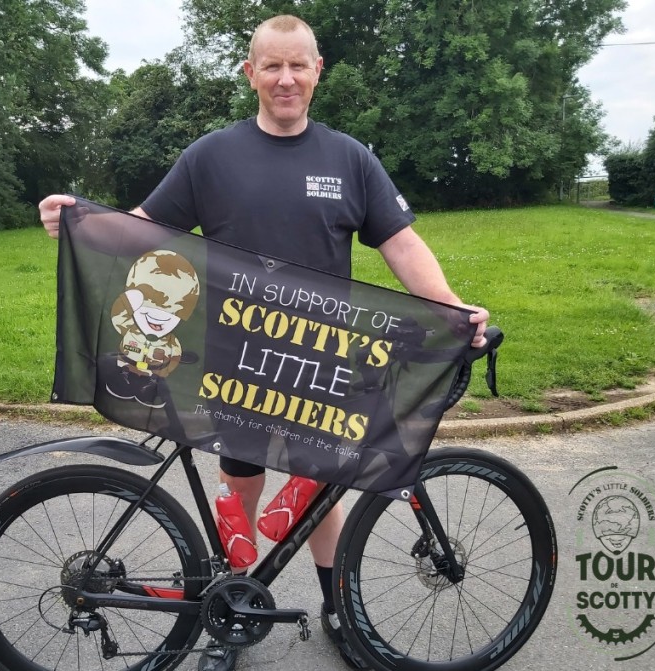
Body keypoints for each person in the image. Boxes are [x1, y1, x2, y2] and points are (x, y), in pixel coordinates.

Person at [39, 14, 489, 671]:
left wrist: (450, 307)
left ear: (317, 71)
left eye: (297, 65)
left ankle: (340, 607)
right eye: (271, 66)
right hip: (234, 362)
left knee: (320, 484)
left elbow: (400, 242)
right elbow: (142, 228)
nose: (285, 79)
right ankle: (230, 618)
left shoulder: (349, 158)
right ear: (250, 73)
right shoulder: (212, 156)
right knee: (240, 483)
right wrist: (80, 218)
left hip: (321, 361)